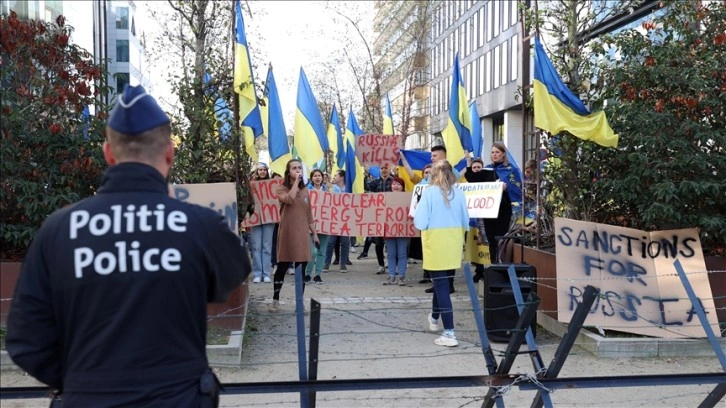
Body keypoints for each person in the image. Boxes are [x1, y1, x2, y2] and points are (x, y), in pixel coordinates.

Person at [5, 84, 250, 407]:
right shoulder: (200, 226)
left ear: (108, 153)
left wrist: (85, 381)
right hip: (178, 398)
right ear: (169, 153)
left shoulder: (59, 230)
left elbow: (26, 340)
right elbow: (232, 278)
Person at [414, 160, 469, 347]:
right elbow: (466, 220)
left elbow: (420, 222)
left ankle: (449, 332)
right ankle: (434, 317)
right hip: (453, 242)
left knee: (442, 286)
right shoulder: (459, 193)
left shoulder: (429, 193)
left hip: (435, 243)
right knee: (442, 282)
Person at [271, 159, 319, 312]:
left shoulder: (305, 191)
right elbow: (289, 200)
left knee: (301, 268)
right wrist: (295, 184)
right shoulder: (281, 188)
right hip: (287, 233)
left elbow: (309, 214)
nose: (298, 170)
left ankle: (299, 302)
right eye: (294, 168)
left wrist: (315, 234)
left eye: (299, 168)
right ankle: (275, 299)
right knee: (283, 266)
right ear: (288, 172)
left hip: (302, 233)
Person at [465, 143, 513, 265]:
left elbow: (517, 188)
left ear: (503, 154)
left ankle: (504, 265)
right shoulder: (487, 170)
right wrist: (468, 161)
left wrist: (506, 188)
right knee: (491, 239)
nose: (494, 155)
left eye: (497, 152)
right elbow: (472, 179)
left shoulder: (510, 169)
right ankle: (494, 265)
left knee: (501, 238)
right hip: (489, 211)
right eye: (492, 152)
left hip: (503, 210)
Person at [360, 163, 391, 274]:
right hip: (378, 216)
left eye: (386, 168)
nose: (384, 170)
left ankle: (390, 262)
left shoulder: (393, 182)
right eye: (382, 168)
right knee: (378, 243)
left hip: (391, 216)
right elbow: (365, 187)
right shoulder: (375, 182)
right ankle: (381, 265)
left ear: (389, 169)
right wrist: (366, 173)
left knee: (390, 243)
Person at [248, 163, 275, 283]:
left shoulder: (272, 185)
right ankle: (257, 273)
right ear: (257, 171)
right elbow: (248, 199)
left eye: (264, 170)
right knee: (256, 246)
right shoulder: (251, 185)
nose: (262, 172)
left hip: (269, 217)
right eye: (260, 170)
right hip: (256, 217)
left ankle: (266, 273)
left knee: (267, 246)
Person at [382, 176, 410, 286]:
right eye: (394, 184)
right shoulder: (385, 197)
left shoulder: (408, 198)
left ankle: (401, 276)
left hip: (403, 230)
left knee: (402, 254)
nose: (396, 186)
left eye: (398, 184)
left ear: (402, 186)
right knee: (391, 254)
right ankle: (392, 276)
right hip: (389, 230)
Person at [324, 169, 351, 272]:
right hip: (333, 218)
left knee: (345, 242)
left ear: (342, 177)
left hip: (346, 219)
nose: (333, 177)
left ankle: (343, 264)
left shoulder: (349, 188)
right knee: (330, 242)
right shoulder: (330, 188)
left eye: (336, 176)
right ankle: (326, 264)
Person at [304, 169, 329, 283]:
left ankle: (318, 274)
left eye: (319, 176)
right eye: (315, 176)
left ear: (322, 178)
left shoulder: (328, 192)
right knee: (311, 251)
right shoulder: (306, 191)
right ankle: (307, 273)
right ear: (311, 178)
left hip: (324, 225)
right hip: (310, 225)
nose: (317, 178)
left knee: (321, 251)